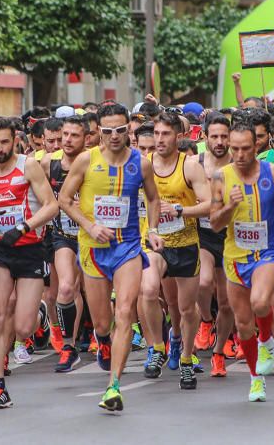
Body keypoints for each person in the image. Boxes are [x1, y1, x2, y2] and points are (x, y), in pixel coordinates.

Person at [58, 103, 161, 412]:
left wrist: (152, 229)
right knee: (102, 322)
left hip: (128, 247)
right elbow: (63, 199)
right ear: (98, 132)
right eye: (107, 131)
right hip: (93, 248)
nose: (115, 136)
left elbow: (154, 198)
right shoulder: (85, 161)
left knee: (125, 312)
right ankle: (103, 340)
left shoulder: (141, 163)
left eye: (120, 130)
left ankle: (113, 386)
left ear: (127, 128)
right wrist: (90, 225)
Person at [0, 117, 58, 409]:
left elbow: (52, 206)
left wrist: (24, 227)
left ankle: (40, 315)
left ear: (14, 140)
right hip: (1, 251)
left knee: (22, 327)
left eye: (4, 141)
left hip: (30, 249)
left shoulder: (28, 166)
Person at [209, 121, 274, 403]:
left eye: (245, 148)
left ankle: (266, 342)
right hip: (236, 256)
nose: (239, 154)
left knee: (261, 302)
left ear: (257, 146)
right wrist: (229, 206)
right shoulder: (221, 178)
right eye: (234, 148)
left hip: (269, 250)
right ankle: (255, 379)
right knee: (243, 323)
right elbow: (214, 224)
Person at [140, 112, 211, 389]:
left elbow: (208, 205)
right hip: (155, 241)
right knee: (147, 290)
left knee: (186, 308)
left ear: (178, 137)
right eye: (156, 134)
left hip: (186, 243)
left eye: (165, 134)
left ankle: (185, 357)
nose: (159, 140)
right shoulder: (144, 165)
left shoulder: (190, 166)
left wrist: (181, 209)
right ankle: (157, 347)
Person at [41, 116, 89, 372]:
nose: (67, 141)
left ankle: (102, 337)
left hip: (93, 234)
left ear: (87, 139)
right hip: (63, 235)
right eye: (64, 136)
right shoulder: (50, 162)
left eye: (74, 136)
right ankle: (69, 346)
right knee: (67, 288)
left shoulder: (94, 162)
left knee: (93, 293)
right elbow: (39, 193)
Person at [195, 114, 236, 377]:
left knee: (227, 302)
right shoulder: (196, 164)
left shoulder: (237, 164)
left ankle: (219, 352)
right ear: (205, 137)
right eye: (215, 136)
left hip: (231, 238)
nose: (219, 142)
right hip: (203, 235)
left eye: (224, 136)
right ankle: (206, 322)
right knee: (202, 282)